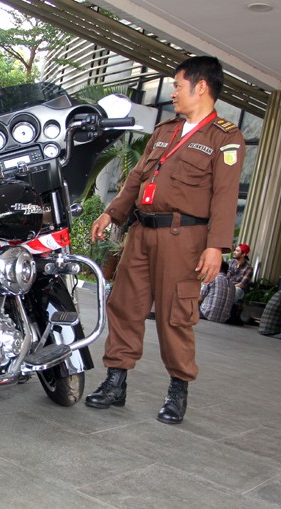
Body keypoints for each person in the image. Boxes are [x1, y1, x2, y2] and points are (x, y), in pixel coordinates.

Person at [85, 56, 244, 424]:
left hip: (183, 237)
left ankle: (178, 389)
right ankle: (116, 381)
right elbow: (137, 178)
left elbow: (225, 195)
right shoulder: (165, 130)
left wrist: (216, 246)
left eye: (177, 85)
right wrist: (112, 213)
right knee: (124, 305)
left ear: (200, 87)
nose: (172, 93)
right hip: (141, 232)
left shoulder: (224, 137)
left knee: (176, 315)